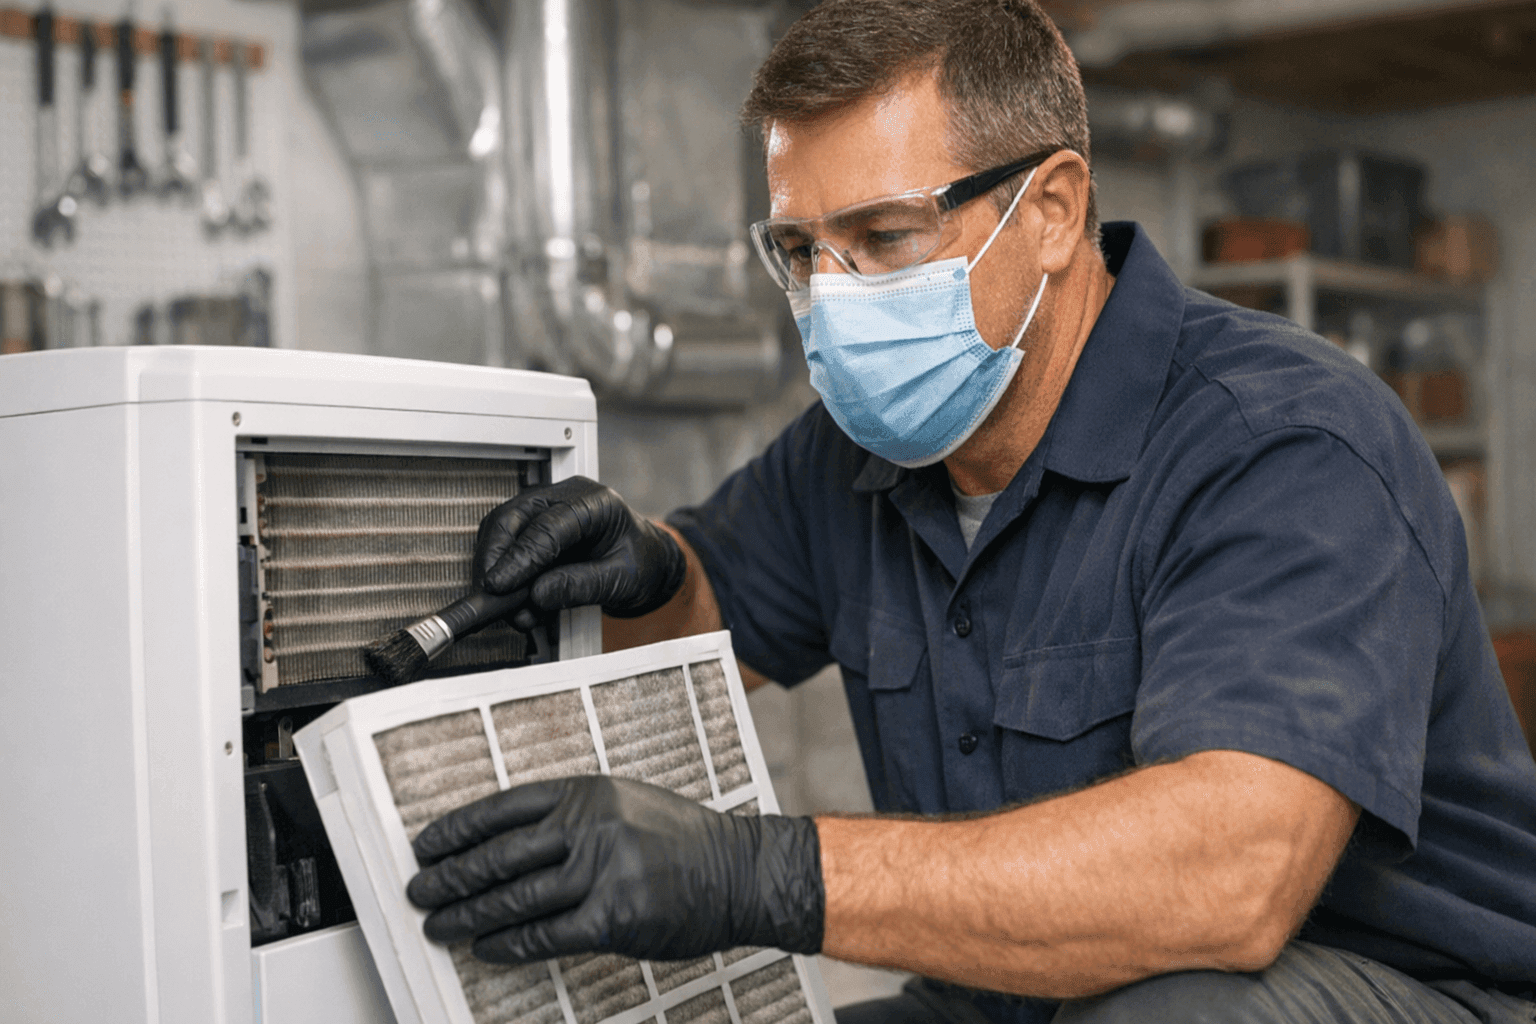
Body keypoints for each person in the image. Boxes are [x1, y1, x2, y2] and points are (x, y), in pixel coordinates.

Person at [402, 2, 1536, 1022]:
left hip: (1373, 989)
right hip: (1019, 997)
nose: (832, 300)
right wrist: (644, 573)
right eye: (801, 251)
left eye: (885, 239)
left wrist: (758, 875)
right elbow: (702, 622)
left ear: (1050, 210)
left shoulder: (1284, 443)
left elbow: (1228, 881)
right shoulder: (854, 457)